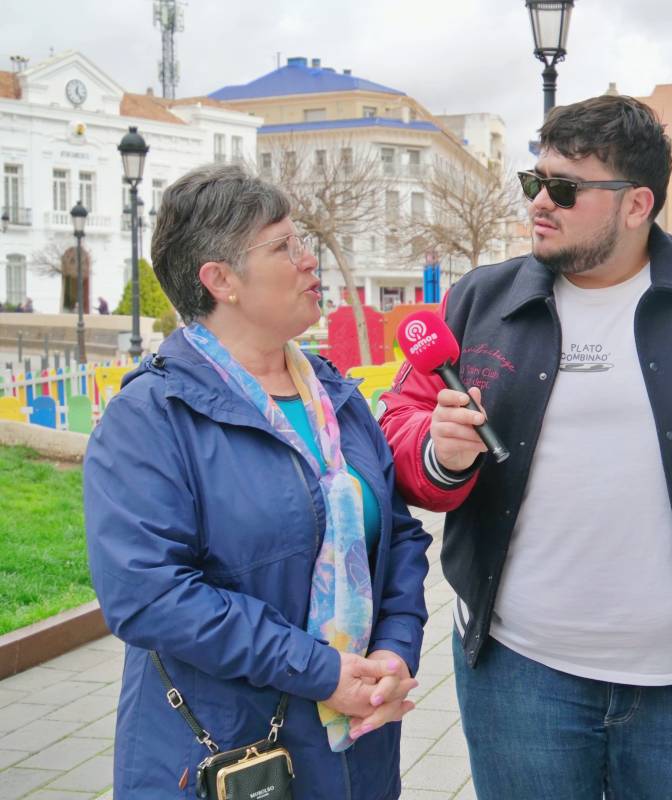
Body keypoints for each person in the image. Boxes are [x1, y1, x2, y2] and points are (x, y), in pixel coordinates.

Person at [379, 94, 672, 799]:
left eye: (564, 189)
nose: (540, 202)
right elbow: (400, 427)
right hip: (518, 673)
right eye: (534, 182)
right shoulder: (478, 302)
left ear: (636, 205)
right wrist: (441, 454)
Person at [84, 163, 432, 800]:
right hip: (228, 755)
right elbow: (147, 593)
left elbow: (401, 540)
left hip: (359, 742)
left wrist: (395, 652)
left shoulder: (335, 396)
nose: (309, 261)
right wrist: (319, 670)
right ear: (220, 281)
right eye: (284, 246)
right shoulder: (153, 416)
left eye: (302, 243)